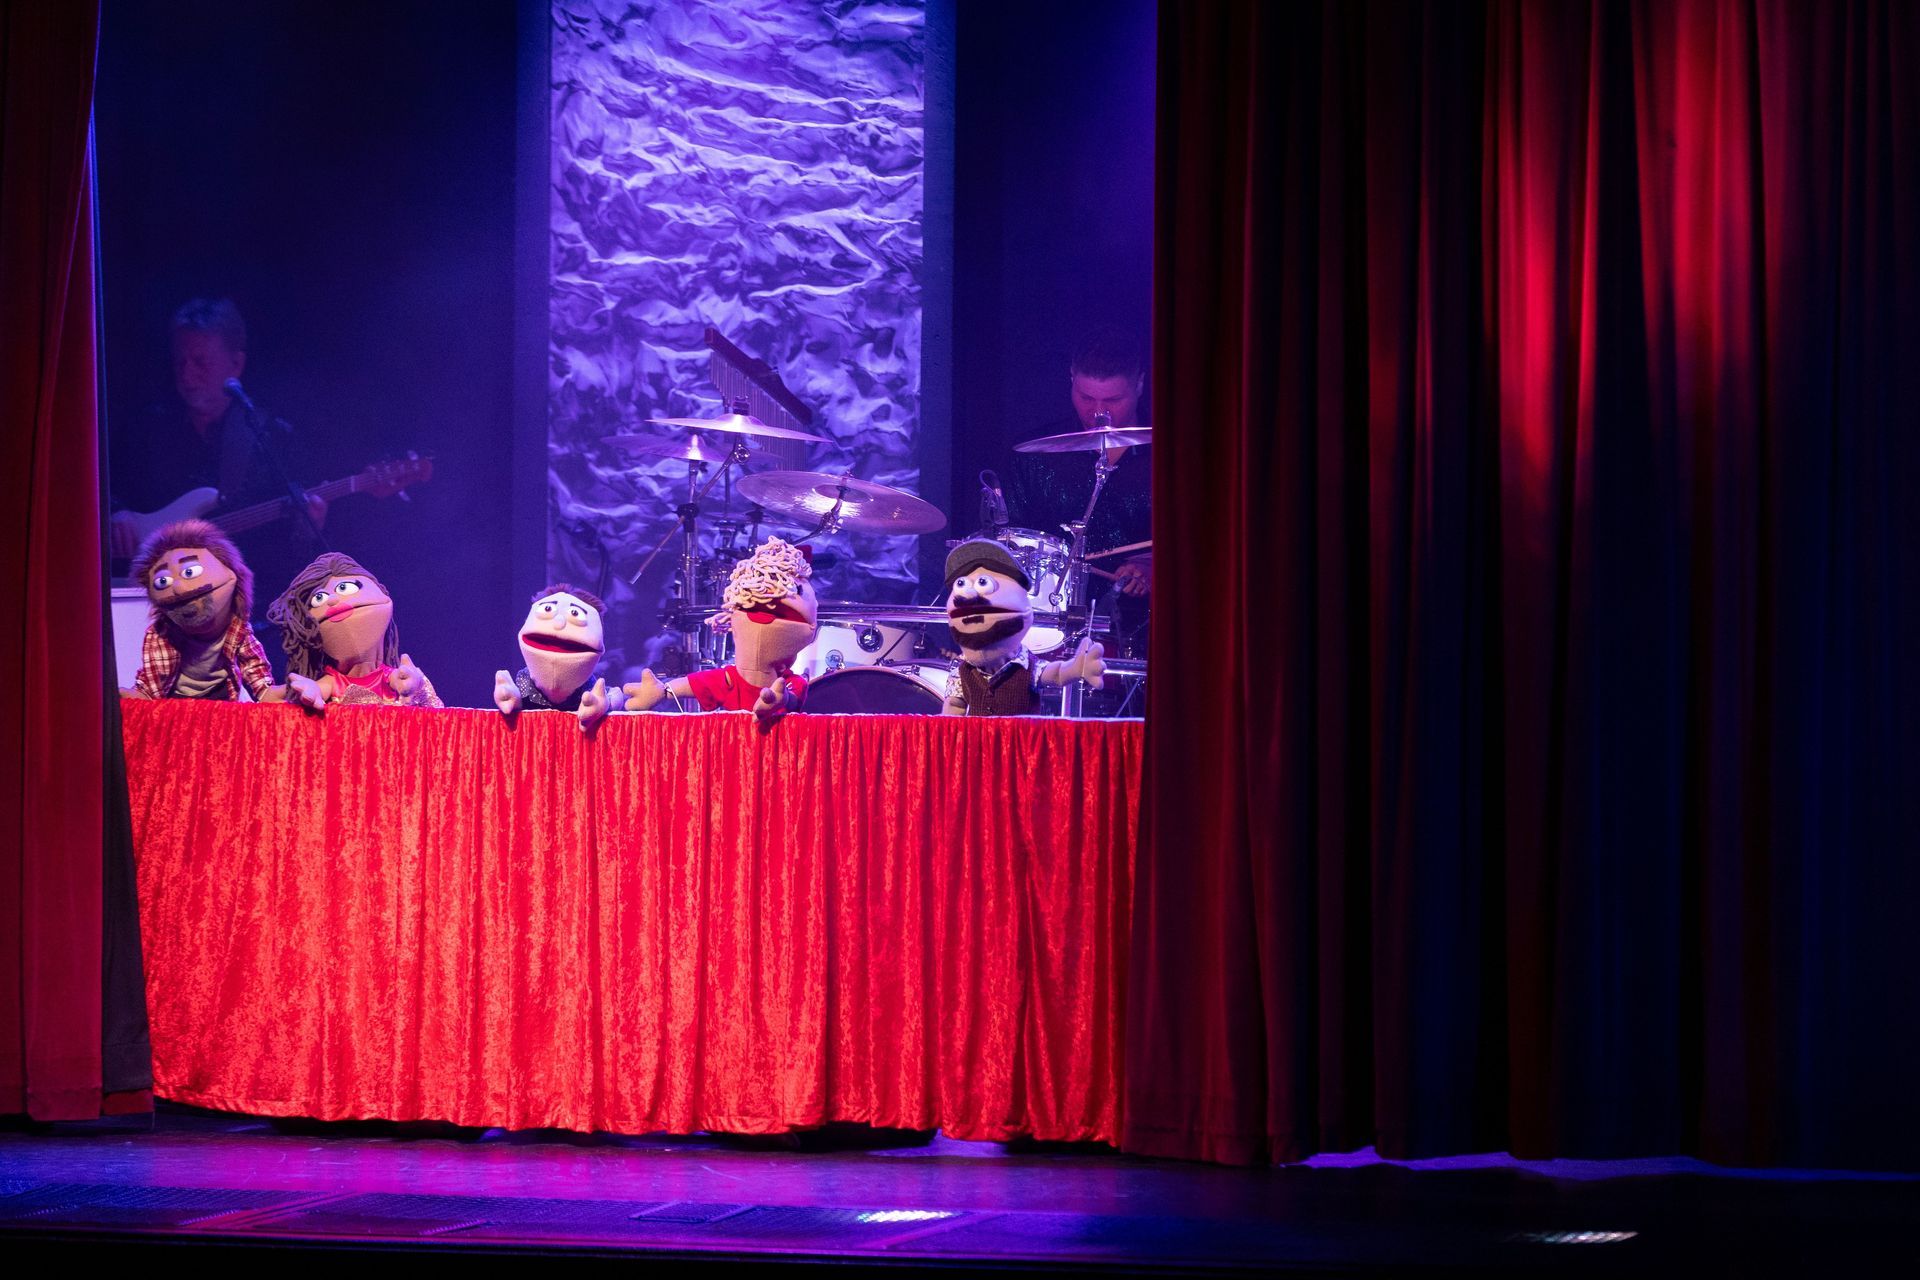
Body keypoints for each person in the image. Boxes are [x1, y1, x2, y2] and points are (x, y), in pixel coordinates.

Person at [107, 298, 326, 604]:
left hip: (243, 610)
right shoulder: (146, 429)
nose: (186, 374)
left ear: (235, 364)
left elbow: (288, 558)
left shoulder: (271, 437)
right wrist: (115, 512)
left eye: (201, 362)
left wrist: (307, 527)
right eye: (180, 362)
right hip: (153, 606)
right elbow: (98, 486)